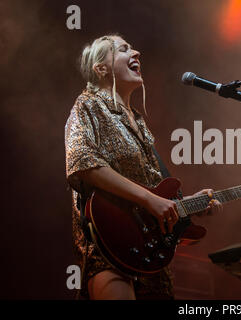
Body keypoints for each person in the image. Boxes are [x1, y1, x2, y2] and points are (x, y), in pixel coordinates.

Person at [64, 34, 222, 300]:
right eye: (124, 49)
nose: (136, 52)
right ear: (101, 68)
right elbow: (82, 163)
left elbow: (156, 192)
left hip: (150, 257)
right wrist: (150, 200)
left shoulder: (139, 123)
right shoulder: (88, 106)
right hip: (108, 248)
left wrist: (187, 204)